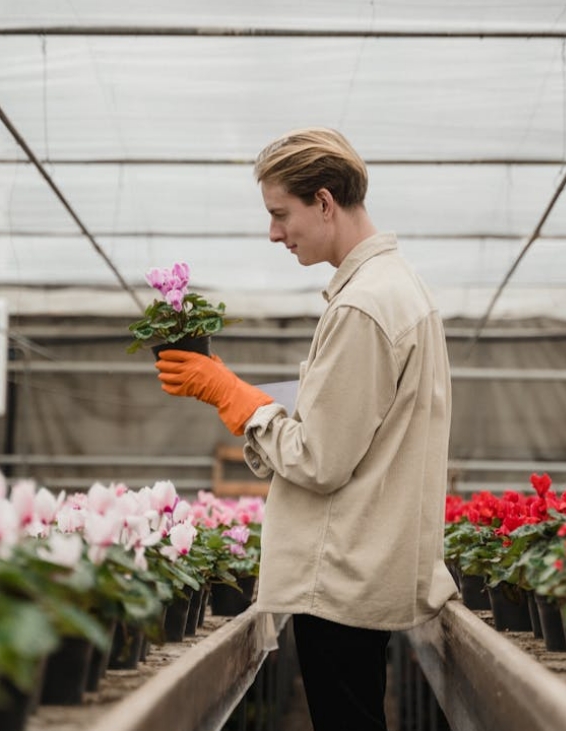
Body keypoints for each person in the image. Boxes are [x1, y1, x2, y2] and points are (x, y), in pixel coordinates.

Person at [154, 127, 458, 731]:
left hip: (342, 579)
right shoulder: (397, 290)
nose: (274, 233)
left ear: (324, 201)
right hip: (363, 568)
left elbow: (320, 461)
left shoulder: (362, 307)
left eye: (280, 214)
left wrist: (234, 397)